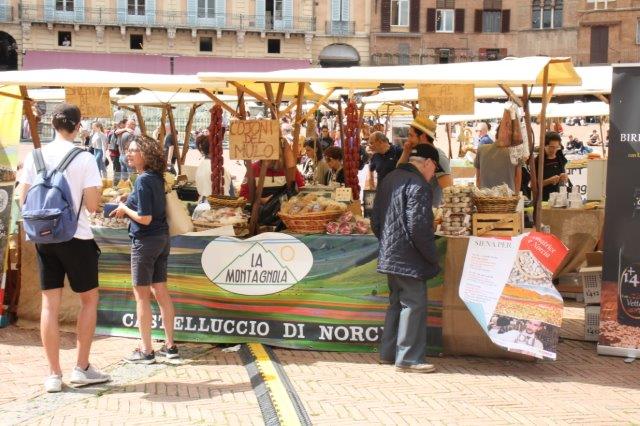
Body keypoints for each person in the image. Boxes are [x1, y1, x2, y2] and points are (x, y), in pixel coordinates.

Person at [18, 103, 110, 392]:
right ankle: (81, 367)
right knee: (89, 300)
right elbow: (92, 205)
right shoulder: (84, 158)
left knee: (49, 304)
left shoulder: (35, 156)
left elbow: (23, 198)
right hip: (76, 237)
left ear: (53, 125)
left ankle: (53, 375)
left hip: (43, 236)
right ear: (78, 127)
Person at [371, 144, 443, 373]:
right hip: (409, 257)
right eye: (435, 169)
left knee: (396, 304)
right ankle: (409, 359)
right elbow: (418, 227)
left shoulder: (390, 178)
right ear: (428, 163)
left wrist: (387, 243)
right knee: (413, 304)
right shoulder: (419, 185)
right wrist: (432, 256)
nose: (434, 175)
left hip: (391, 254)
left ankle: (389, 354)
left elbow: (375, 220)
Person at [111, 135, 178, 364]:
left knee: (141, 296)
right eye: (128, 150)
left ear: (146, 154)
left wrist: (124, 209)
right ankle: (170, 346)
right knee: (160, 291)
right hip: (161, 239)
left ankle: (147, 350)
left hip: (145, 241)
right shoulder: (156, 177)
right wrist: (129, 199)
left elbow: (145, 218)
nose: (128, 154)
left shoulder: (142, 180)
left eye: (133, 150)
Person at [397, 116, 452, 207]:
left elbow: (449, 191)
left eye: (411, 135)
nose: (408, 140)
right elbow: (399, 173)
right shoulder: (415, 153)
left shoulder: (438, 157)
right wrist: (406, 152)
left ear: (422, 136)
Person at [194, 134, 234, 198]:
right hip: (218, 203)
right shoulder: (220, 169)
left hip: (203, 202)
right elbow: (231, 195)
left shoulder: (200, 167)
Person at [535, 131, 568, 202]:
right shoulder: (538, 161)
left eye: (557, 147)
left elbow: (565, 180)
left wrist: (564, 177)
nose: (554, 150)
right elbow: (532, 186)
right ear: (544, 145)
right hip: (544, 200)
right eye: (551, 147)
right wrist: (549, 181)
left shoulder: (560, 157)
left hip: (560, 199)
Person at [108, 119, 126, 183]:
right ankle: (115, 185)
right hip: (116, 154)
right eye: (125, 124)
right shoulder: (117, 131)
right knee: (117, 171)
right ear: (121, 124)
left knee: (118, 170)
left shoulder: (116, 131)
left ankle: (118, 184)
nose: (126, 126)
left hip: (115, 154)